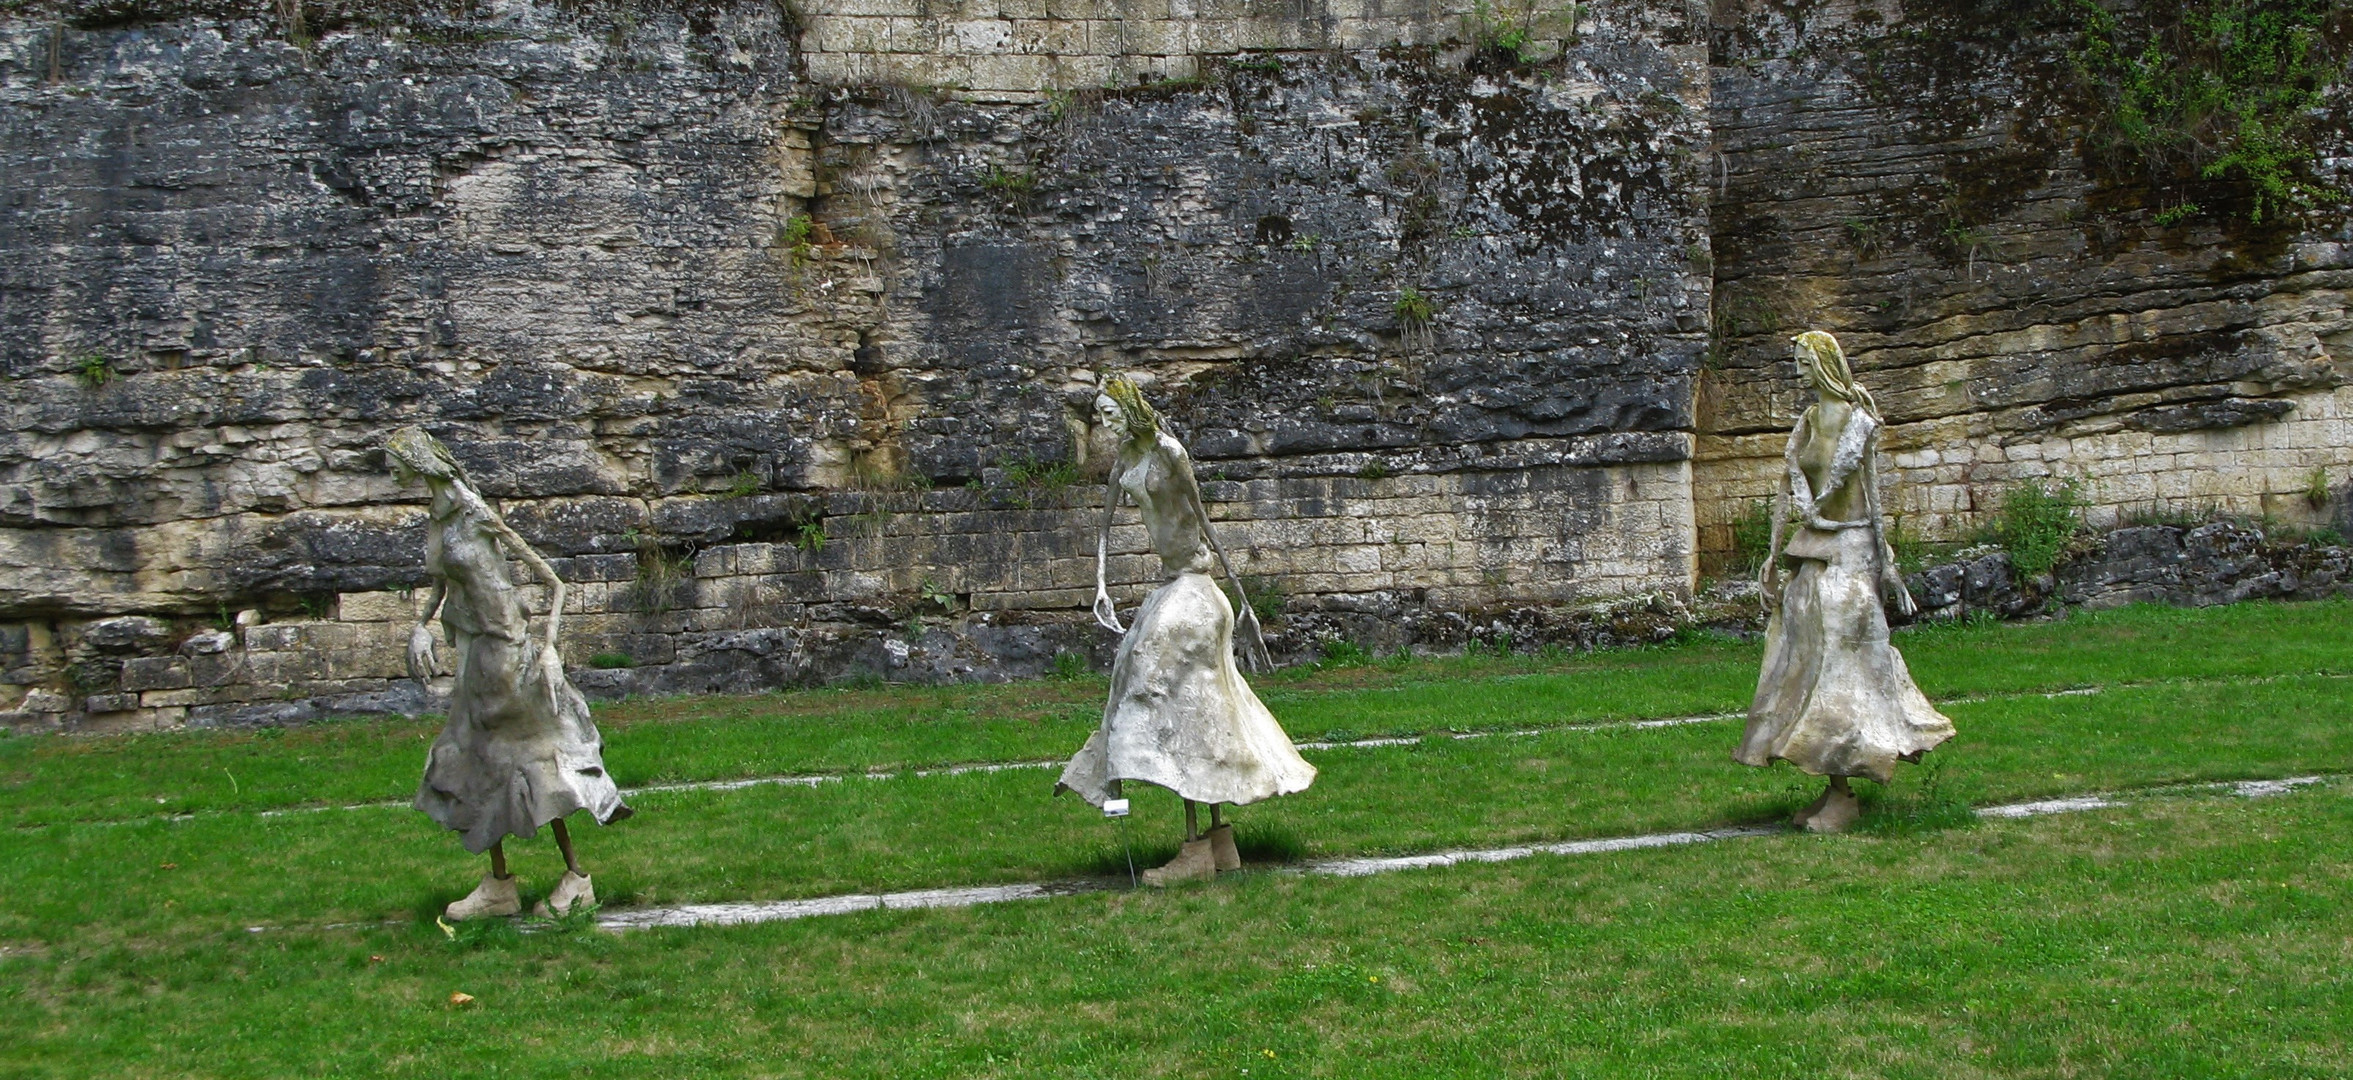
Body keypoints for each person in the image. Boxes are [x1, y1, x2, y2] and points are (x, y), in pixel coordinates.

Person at [1055, 375, 1316, 884]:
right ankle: (1219, 844)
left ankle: (1196, 849)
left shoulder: (1170, 452)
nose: (1106, 425)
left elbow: (1204, 519)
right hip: (1171, 586)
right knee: (1188, 699)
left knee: (1165, 689)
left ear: (1132, 409)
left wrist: (1242, 600)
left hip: (1196, 588)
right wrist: (1102, 585)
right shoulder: (1126, 460)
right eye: (1101, 417)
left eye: (1112, 414)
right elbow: (1105, 528)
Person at [386, 427, 631, 918]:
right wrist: (419, 627)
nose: (390, 470)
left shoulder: (475, 513)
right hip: (475, 656)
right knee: (477, 763)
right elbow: (441, 584)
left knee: (536, 763)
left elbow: (553, 581)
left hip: (510, 655)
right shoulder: (438, 517)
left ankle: (576, 878)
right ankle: (499, 887)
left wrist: (549, 650)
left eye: (394, 460)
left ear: (419, 461)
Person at [1737, 332, 1955, 832]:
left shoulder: (1860, 423)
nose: (1798, 371)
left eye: (1803, 362)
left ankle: (1845, 795)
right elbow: (1786, 490)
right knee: (1807, 668)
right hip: (1812, 551)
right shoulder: (1809, 422)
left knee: (1844, 673)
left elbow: (1874, 497)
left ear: (1824, 363)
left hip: (1851, 553)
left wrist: (1889, 562)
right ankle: (1833, 786)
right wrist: (1771, 556)